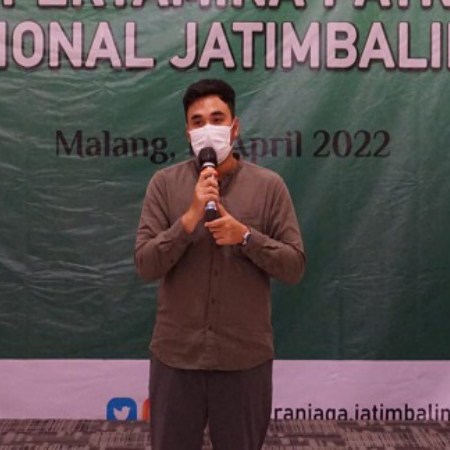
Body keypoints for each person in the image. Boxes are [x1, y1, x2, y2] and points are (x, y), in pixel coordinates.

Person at [134, 78, 305, 450]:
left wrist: (245, 236)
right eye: (197, 122)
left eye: (217, 118)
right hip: (177, 357)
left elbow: (294, 266)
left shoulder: (269, 186)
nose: (207, 129)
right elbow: (146, 265)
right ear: (188, 132)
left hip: (243, 359)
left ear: (234, 126)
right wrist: (189, 219)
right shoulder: (164, 185)